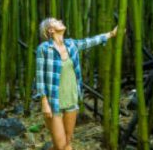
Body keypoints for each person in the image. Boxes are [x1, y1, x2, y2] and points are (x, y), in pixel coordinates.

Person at [35, 18, 118, 150]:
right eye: (56, 21)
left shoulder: (71, 45)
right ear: (50, 30)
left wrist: (111, 34)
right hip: (54, 102)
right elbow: (39, 77)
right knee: (62, 147)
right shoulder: (44, 49)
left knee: (67, 143)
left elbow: (89, 42)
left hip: (71, 99)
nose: (60, 20)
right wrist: (44, 102)